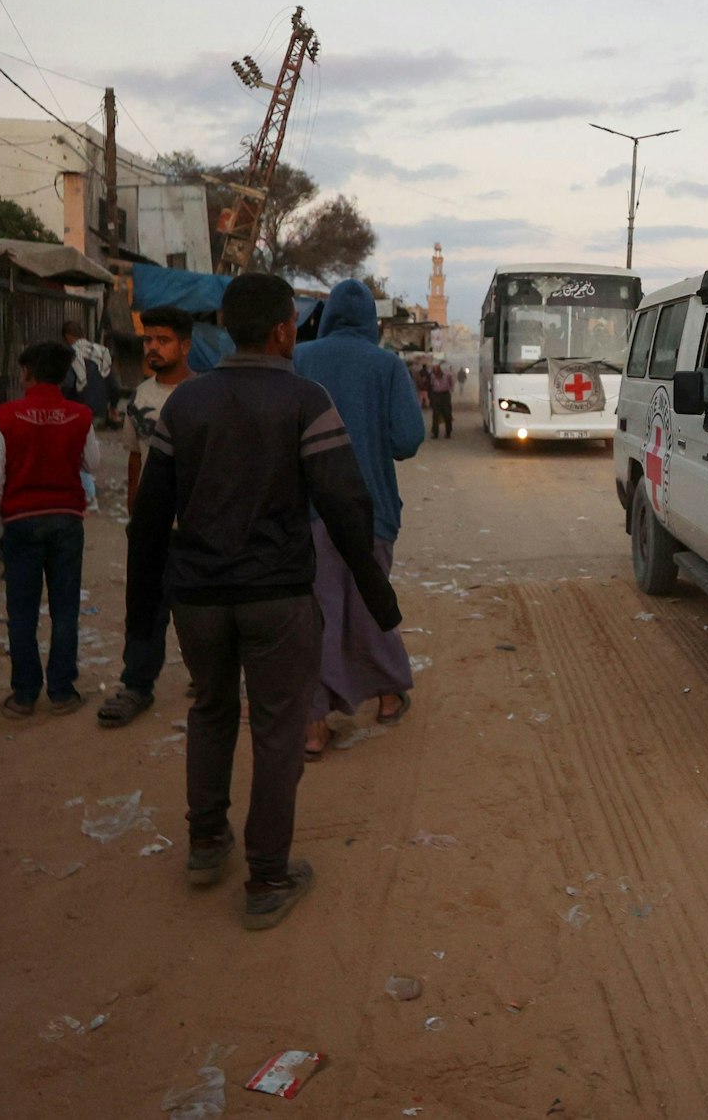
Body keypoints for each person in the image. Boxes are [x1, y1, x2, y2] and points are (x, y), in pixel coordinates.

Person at [124, 272, 402, 930]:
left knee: (211, 712)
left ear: (223, 324)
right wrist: (377, 596)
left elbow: (150, 516)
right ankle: (268, 877)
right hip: (276, 596)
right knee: (278, 730)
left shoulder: (185, 406)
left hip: (197, 597)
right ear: (283, 329)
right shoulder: (306, 401)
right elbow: (344, 502)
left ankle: (203, 844)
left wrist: (143, 618)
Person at [289, 280, 425, 759]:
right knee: (370, 601)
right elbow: (408, 439)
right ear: (372, 320)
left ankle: (313, 727)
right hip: (371, 512)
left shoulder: (301, 359)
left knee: (316, 614)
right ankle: (388, 697)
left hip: (308, 510)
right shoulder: (386, 365)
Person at [0, 341, 99, 719]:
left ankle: (24, 694)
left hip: (21, 521)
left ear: (27, 373)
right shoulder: (80, 415)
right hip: (66, 519)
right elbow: (92, 463)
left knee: (22, 612)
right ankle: (62, 691)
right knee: (65, 609)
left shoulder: (6, 416)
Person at [97, 306, 196, 728]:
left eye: (163, 340)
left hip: (195, 525)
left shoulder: (203, 395)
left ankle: (212, 678)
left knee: (198, 607)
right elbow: (136, 455)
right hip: (151, 525)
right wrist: (135, 509)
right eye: (148, 340)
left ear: (186, 346)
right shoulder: (140, 396)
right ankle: (137, 684)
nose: (153, 348)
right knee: (143, 606)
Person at [61, 319, 119, 428]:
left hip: (77, 413)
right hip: (101, 413)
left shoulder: (71, 355)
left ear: (68, 337)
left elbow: (67, 385)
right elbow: (114, 386)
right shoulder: (102, 352)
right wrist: (113, 406)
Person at [427, 360, 455, 439]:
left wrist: (450, 390)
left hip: (445, 395)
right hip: (436, 396)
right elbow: (431, 385)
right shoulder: (432, 376)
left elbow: (451, 383)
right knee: (436, 415)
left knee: (447, 414)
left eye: (437, 369)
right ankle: (435, 433)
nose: (435, 371)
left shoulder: (447, 375)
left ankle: (448, 432)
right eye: (434, 369)